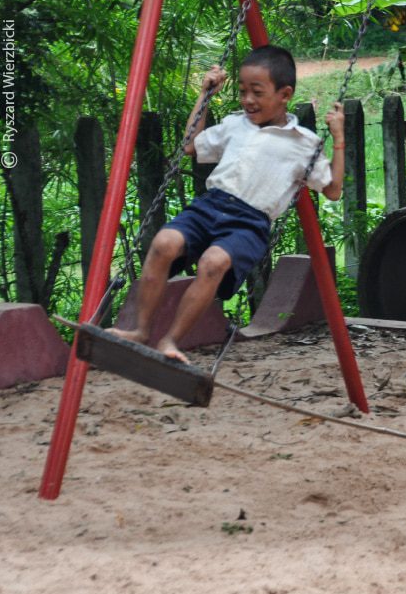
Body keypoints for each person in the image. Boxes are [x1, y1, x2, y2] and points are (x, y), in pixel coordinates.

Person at [110, 45, 345, 363]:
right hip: (210, 206)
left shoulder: (304, 144)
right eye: (243, 90)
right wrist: (205, 95)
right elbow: (191, 144)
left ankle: (170, 341)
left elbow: (332, 190)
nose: (247, 100)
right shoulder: (236, 124)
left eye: (257, 92)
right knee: (163, 243)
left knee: (213, 263)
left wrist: (339, 140)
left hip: (249, 222)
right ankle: (139, 330)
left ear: (284, 93)